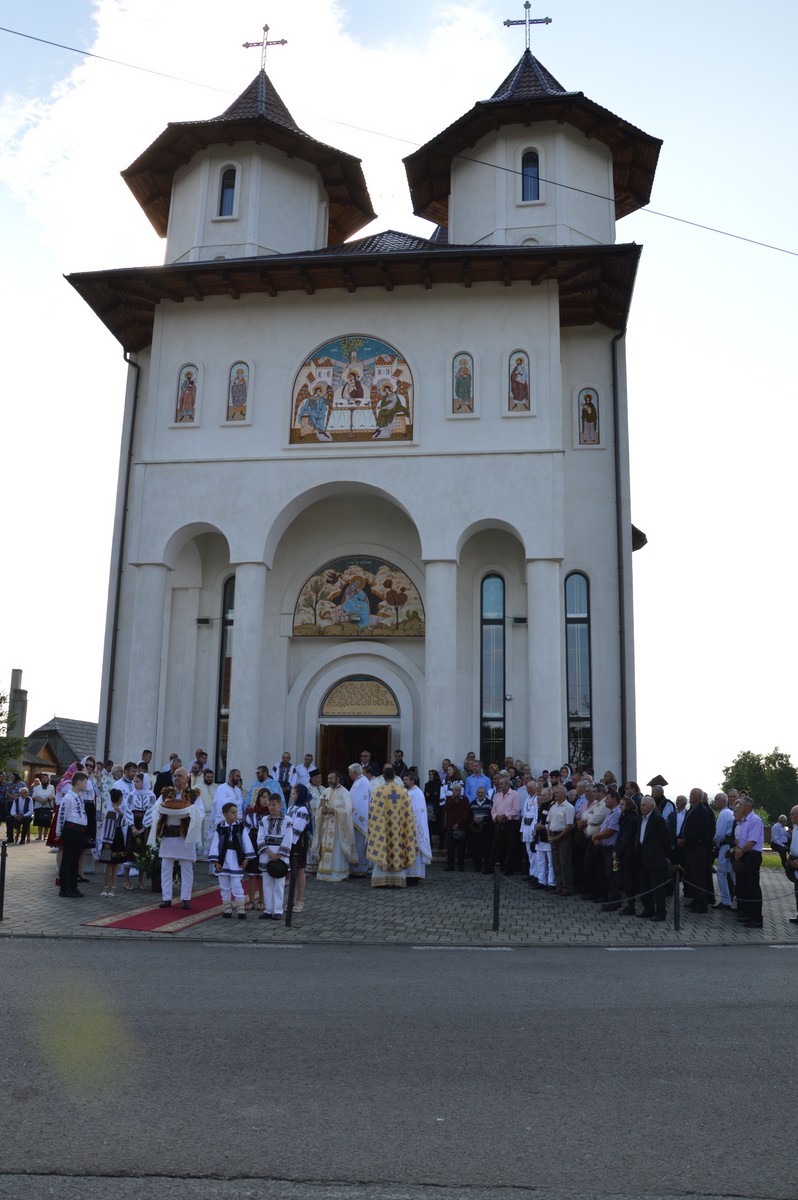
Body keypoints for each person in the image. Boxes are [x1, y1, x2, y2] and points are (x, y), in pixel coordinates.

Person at [147, 767, 205, 909]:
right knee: (166, 866)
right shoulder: (167, 792)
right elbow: (156, 807)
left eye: (180, 776)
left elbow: (200, 813)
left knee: (186, 867)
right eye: (175, 776)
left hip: (185, 835)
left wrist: (189, 811)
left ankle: (186, 898)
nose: (177, 778)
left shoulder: (193, 795)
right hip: (168, 834)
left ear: (187, 778)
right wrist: (163, 807)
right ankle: (166, 898)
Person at [367, 767, 418, 888]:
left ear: (383, 776)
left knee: (382, 846)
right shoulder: (402, 791)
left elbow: (373, 813)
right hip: (398, 831)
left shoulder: (379, 791)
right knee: (397, 849)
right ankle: (397, 879)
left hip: (383, 830)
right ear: (394, 776)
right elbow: (409, 814)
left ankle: (381, 880)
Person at [210, 801, 255, 919]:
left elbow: (246, 841)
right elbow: (215, 844)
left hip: (236, 859)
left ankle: (241, 909)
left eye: (236, 812)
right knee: (224, 885)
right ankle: (227, 908)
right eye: (232, 812)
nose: (235, 814)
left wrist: (247, 857)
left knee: (236, 884)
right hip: (223, 860)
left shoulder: (240, 827)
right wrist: (216, 861)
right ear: (225, 814)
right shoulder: (220, 828)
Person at [310, 770, 358, 883]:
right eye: (328, 778)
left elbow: (348, 811)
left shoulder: (344, 792)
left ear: (338, 779)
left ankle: (338, 873)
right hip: (326, 827)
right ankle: (323, 872)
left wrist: (334, 810)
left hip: (338, 828)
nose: (329, 780)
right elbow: (318, 808)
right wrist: (322, 810)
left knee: (337, 851)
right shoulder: (325, 792)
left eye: (331, 778)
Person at [257, 793, 293, 919]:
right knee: (267, 883)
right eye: (269, 805)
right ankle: (268, 909)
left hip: (280, 855)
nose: (271, 807)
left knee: (279, 883)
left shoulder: (287, 820)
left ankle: (278, 910)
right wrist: (269, 852)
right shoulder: (264, 820)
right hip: (267, 854)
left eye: (273, 805)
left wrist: (279, 854)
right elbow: (260, 837)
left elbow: (288, 838)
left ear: (280, 805)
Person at [635, 795, 671, 921]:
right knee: (644, 885)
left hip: (655, 858)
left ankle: (660, 912)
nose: (641, 807)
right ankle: (648, 909)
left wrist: (661, 854)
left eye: (644, 805)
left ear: (652, 806)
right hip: (642, 856)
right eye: (641, 805)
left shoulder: (657, 819)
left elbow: (666, 839)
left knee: (657, 886)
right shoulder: (641, 819)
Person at [679, 788, 715, 913]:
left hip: (697, 849)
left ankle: (702, 903)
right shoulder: (692, 809)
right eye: (690, 794)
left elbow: (700, 831)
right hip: (690, 849)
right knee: (692, 876)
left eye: (693, 795)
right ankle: (696, 898)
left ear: (699, 797)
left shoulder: (702, 811)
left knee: (698, 876)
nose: (690, 796)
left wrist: (686, 840)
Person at [55, 770, 89, 897]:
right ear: (78, 782)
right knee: (68, 859)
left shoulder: (79, 797)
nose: (86, 785)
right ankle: (65, 888)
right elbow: (61, 815)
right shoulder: (68, 798)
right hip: (71, 830)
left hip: (79, 830)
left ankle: (73, 886)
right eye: (85, 782)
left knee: (75, 859)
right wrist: (59, 832)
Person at [733, 796, 764, 928]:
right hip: (744, 854)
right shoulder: (743, 821)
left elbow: (752, 841)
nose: (738, 806)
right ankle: (748, 912)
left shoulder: (755, 820)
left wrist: (741, 851)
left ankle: (757, 917)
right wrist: (737, 849)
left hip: (752, 855)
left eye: (741, 804)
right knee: (744, 886)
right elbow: (741, 840)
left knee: (752, 887)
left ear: (748, 806)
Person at [122, 771, 156, 891]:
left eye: (137, 781)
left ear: (144, 782)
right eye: (134, 781)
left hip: (144, 825)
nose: (135, 783)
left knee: (143, 850)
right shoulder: (132, 794)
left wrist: (143, 828)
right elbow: (128, 810)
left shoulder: (151, 795)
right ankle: (126, 879)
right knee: (130, 849)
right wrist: (132, 827)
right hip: (133, 823)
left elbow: (151, 811)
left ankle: (140, 880)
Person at [98, 789, 130, 898]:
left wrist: (121, 813)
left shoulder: (116, 810)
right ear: (120, 798)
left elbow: (124, 822)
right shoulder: (111, 810)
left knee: (113, 864)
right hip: (113, 838)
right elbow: (108, 827)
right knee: (111, 864)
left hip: (116, 837)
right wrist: (107, 841)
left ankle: (110, 888)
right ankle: (108, 887)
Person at [285, 783, 312, 912]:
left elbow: (298, 828)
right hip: (289, 840)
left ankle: (300, 900)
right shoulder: (291, 807)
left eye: (294, 793)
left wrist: (290, 843)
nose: (292, 796)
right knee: (292, 871)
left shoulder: (303, 810)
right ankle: (291, 900)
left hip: (298, 841)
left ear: (300, 794)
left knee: (300, 870)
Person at [404, 771, 432, 884]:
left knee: (416, 852)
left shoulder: (416, 793)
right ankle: (411, 875)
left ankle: (414, 876)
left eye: (406, 780)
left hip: (414, 827)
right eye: (404, 779)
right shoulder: (410, 792)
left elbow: (415, 812)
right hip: (409, 827)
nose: (404, 781)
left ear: (412, 781)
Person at [490, 771, 520, 875]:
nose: (500, 785)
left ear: (507, 784)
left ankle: (508, 868)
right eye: (499, 784)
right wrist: (496, 817)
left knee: (510, 846)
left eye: (502, 784)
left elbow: (516, 810)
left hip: (510, 823)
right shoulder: (497, 795)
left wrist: (505, 816)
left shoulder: (515, 794)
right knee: (496, 845)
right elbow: (493, 810)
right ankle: (495, 866)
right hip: (499, 823)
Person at [548, 784, 575, 896]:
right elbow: (549, 822)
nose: (555, 794)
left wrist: (558, 837)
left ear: (564, 794)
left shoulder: (569, 807)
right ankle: (559, 886)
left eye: (557, 792)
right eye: (554, 792)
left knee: (565, 863)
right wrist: (549, 835)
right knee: (556, 863)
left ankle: (567, 887)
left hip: (563, 836)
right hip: (553, 835)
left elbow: (569, 826)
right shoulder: (553, 806)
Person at [712, 792, 736, 911]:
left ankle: (726, 901)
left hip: (724, 846)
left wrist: (715, 843)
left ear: (723, 801)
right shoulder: (730, 813)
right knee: (732, 873)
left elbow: (720, 834)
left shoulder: (723, 814)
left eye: (717, 799)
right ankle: (739, 899)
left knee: (721, 873)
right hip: (729, 846)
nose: (715, 801)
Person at [347, 763, 371, 877]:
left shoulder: (362, 782)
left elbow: (359, 803)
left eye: (350, 772)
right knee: (358, 844)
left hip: (358, 821)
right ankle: (357, 868)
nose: (349, 774)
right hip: (356, 819)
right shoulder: (360, 781)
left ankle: (359, 869)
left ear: (355, 773)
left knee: (359, 845)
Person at [443, 780, 470, 872]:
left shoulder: (465, 800)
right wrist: (452, 799)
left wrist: (458, 823)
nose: (457, 792)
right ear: (453, 790)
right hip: (450, 826)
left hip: (461, 826)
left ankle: (460, 866)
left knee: (461, 848)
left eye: (459, 790)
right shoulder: (449, 799)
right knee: (450, 848)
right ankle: (450, 865)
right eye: (456, 790)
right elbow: (446, 808)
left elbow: (466, 813)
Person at [470, 783, 495, 873]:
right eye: (479, 792)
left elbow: (492, 815)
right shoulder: (472, 803)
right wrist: (473, 819)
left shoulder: (490, 803)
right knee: (476, 848)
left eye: (482, 793)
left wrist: (482, 819)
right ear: (476, 793)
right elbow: (469, 815)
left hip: (486, 828)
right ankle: (477, 866)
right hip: (475, 828)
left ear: (485, 794)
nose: (480, 794)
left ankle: (487, 866)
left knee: (486, 848)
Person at [31, 774, 55, 840]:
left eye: (46, 778)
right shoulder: (37, 787)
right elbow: (34, 796)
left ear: (48, 779)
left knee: (47, 821)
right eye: (43, 778)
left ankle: (45, 836)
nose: (45, 779)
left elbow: (53, 796)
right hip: (38, 806)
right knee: (39, 821)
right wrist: (41, 800)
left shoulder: (51, 787)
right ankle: (39, 836)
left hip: (48, 806)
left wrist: (46, 800)